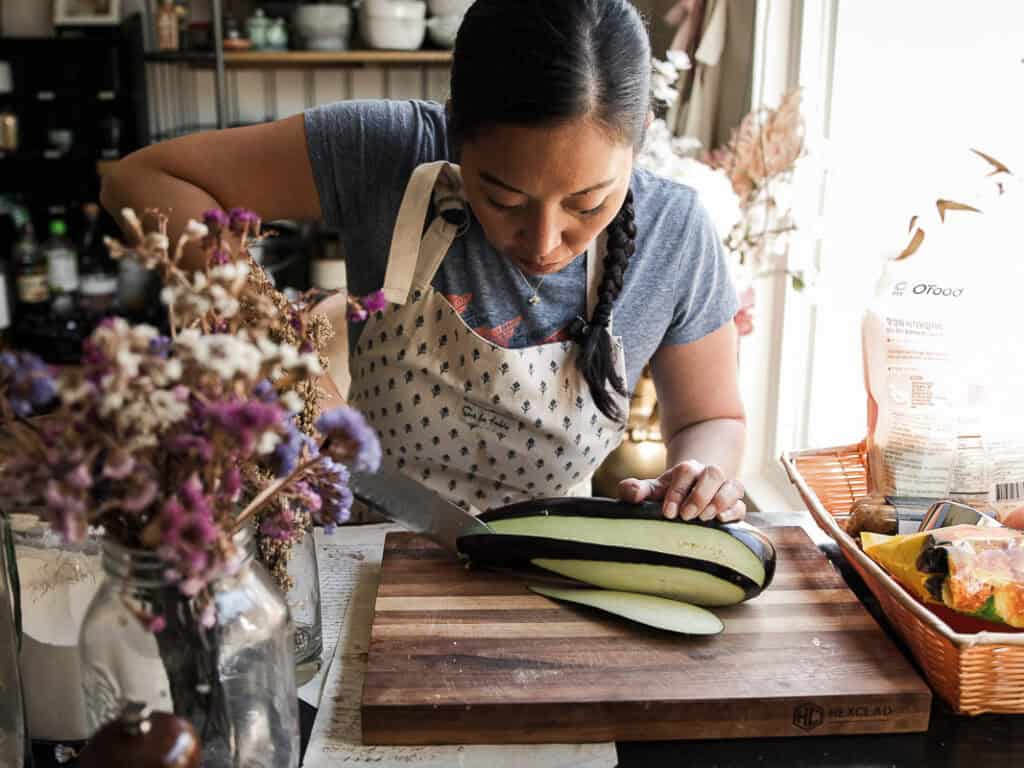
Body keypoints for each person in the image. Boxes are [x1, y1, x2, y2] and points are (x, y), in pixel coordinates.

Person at [100, 0, 747, 523]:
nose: (545, 241)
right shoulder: (393, 151)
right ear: (454, 131)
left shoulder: (675, 233)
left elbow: (710, 417)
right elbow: (139, 180)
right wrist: (268, 333)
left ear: (636, 147)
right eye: (504, 197)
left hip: (551, 578)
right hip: (363, 544)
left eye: (588, 202)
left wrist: (698, 475)